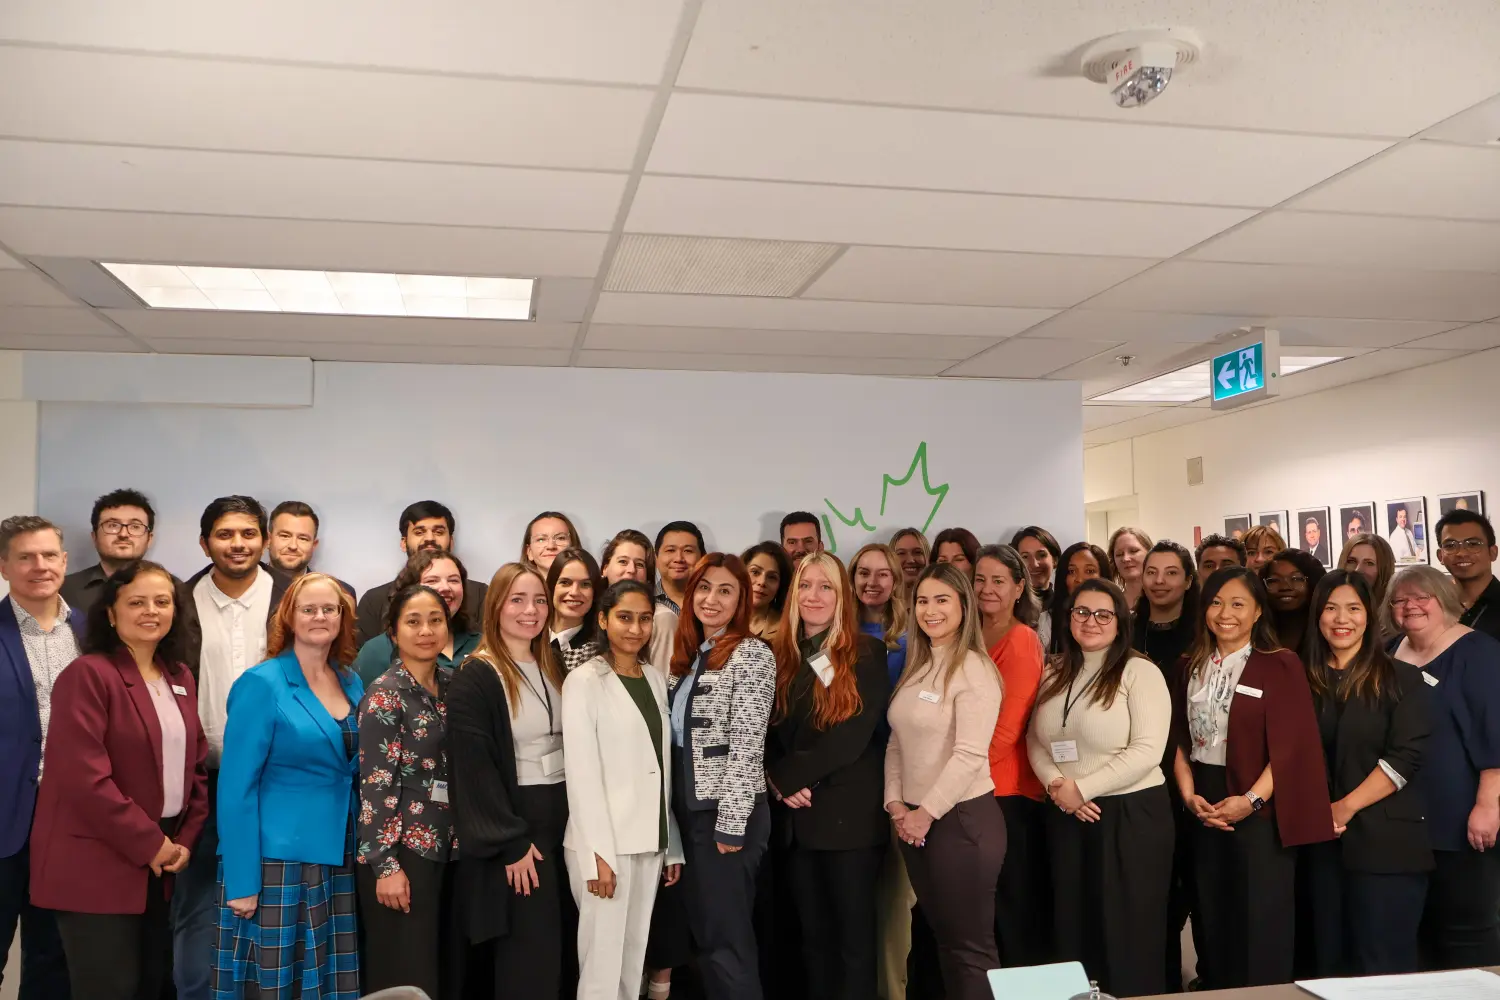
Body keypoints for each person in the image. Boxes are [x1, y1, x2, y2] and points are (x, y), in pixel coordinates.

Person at [30, 560, 209, 1000]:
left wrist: (184, 839)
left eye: (162, 602)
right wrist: (151, 843)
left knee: (152, 985)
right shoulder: (88, 675)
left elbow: (196, 767)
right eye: (136, 602)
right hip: (97, 859)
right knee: (110, 988)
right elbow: (83, 779)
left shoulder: (179, 676)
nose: (151, 611)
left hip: (163, 858)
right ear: (111, 613)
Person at [1170, 567, 1334, 989]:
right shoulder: (1189, 664)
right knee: (1211, 912)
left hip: (1260, 807)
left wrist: (1251, 800)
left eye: (1238, 604)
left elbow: (1293, 746)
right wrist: (1188, 795)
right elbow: (1179, 739)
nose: (1225, 613)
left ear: (1258, 611)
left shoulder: (1279, 664)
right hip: (1201, 801)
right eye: (1216, 602)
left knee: (1260, 918)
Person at [212, 574, 364, 999]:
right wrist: (242, 880)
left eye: (329, 609)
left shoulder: (350, 680)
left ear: (342, 617)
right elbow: (235, 788)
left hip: (338, 852)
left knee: (328, 980)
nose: (320, 616)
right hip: (276, 861)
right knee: (275, 984)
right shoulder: (261, 683)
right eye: (308, 609)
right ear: (289, 617)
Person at [1028, 579, 1174, 997]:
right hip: (1066, 812)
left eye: (1103, 614)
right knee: (1073, 926)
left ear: (1120, 621)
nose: (1090, 621)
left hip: (1130, 816)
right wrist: (1057, 785)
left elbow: (1148, 750)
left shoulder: (1139, 671)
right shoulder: (1053, 670)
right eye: (1081, 612)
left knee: (1126, 933)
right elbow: (1034, 738)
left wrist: (1083, 788)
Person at [175, 495, 293, 1000]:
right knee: (198, 903)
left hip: (282, 777)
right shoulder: (177, 601)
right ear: (205, 544)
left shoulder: (295, 597)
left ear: (264, 540)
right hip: (202, 780)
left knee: (281, 898)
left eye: (248, 533)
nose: (237, 544)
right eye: (224, 535)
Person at [447, 563, 574, 999]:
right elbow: (473, 769)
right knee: (530, 955)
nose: (530, 610)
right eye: (517, 600)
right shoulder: (477, 675)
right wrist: (510, 841)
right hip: (519, 829)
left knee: (562, 948)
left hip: (564, 823)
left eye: (539, 600)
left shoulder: (552, 663)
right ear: (496, 607)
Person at [767, 553, 891, 1000]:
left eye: (826, 587)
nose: (813, 596)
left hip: (848, 821)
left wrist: (786, 778)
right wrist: (776, 780)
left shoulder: (866, 652)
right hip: (796, 825)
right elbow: (761, 731)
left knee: (853, 945)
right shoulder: (776, 654)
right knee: (813, 943)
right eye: (805, 585)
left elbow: (851, 736)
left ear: (842, 596)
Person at [1301, 571, 1432, 976]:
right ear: (1317, 616)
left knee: (1382, 968)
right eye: (1331, 608)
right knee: (1325, 967)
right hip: (1317, 847)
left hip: (1386, 846)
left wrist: (1344, 807)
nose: (1342, 619)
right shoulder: (1299, 679)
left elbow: (1406, 757)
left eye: (1353, 609)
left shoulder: (1402, 678)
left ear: (1369, 616)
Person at [885, 562, 1005, 1000]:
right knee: (947, 943)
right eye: (922, 601)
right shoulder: (919, 664)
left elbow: (970, 755)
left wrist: (925, 813)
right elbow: (897, 740)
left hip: (961, 821)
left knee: (970, 949)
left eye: (941, 600)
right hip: (916, 822)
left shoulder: (974, 668)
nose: (930, 610)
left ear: (963, 606)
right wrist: (895, 803)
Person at [562, 581, 684, 1000]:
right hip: (605, 845)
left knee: (632, 961)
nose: (635, 628)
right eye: (625, 617)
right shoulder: (584, 681)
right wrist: (598, 855)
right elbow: (582, 773)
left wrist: (671, 842)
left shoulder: (653, 677)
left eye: (644, 618)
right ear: (603, 619)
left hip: (649, 840)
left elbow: (660, 767)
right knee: (602, 967)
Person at [666, 553, 776, 1000]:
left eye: (725, 590)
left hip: (726, 818)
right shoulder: (693, 656)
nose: (712, 599)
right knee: (705, 935)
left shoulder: (751, 653)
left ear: (741, 600)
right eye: (704, 587)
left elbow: (748, 745)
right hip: (691, 813)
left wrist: (731, 825)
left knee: (726, 939)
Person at [1387, 566, 1500, 970]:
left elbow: (1494, 733)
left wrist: (1488, 806)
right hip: (1401, 821)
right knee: (1415, 936)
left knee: (1466, 932)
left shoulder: (1479, 652)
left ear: (1445, 600)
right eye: (1400, 600)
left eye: (1422, 597)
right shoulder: (1389, 650)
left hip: (1460, 818)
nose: (1411, 606)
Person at [356, 584, 459, 998]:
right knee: (406, 975)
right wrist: (385, 865)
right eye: (413, 622)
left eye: (435, 620)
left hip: (447, 847)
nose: (426, 631)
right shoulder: (385, 694)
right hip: (402, 853)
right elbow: (375, 785)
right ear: (393, 633)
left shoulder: (452, 685)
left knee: (440, 971)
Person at [0, 516, 84, 1000]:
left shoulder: (94, 633)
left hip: (72, 821)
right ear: (4, 566)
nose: (40, 566)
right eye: (25, 557)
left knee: (53, 960)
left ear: (64, 561)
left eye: (49, 555)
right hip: (4, 818)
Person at [1130, 540, 1201, 991]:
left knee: (1180, 885)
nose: (1159, 581)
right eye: (1151, 572)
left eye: (1171, 572)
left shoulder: (1201, 634)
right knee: (1145, 890)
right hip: (1133, 772)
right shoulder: (1126, 629)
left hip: (1185, 769)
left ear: (1188, 580)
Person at [974, 544, 1050, 969]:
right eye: (980, 579)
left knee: (1012, 910)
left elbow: (1007, 731)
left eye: (998, 581)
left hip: (1008, 792)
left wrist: (954, 776)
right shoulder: (968, 635)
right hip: (975, 786)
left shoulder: (1022, 641)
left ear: (1019, 588)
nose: (987, 588)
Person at [354, 501, 487, 646]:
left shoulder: (480, 594)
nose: (430, 538)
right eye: (419, 532)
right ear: (404, 543)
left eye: (439, 532)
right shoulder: (374, 600)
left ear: (451, 541)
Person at [352, 549, 481, 688]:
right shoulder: (377, 651)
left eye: (453, 580)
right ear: (410, 589)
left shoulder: (481, 644)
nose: (445, 587)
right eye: (432, 580)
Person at [60, 488, 160, 615]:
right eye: (113, 525)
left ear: (149, 538)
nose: (123, 534)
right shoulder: (64, 590)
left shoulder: (171, 589)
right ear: (94, 537)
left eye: (135, 526)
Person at [1435, 509, 1500, 643]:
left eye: (1473, 544)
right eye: (1450, 546)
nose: (1461, 553)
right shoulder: (1433, 605)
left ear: (1493, 552)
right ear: (1440, 556)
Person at [267, 500, 354, 597]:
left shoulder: (340, 593)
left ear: (314, 545)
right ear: (268, 540)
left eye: (303, 538)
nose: (293, 546)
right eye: (285, 536)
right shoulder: (252, 585)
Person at [850, 543, 908, 689]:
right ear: (852, 578)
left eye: (882, 574)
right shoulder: (836, 631)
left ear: (895, 581)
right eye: (864, 573)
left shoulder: (910, 638)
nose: (872, 582)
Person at [1048, 542, 1108, 653]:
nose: (1079, 580)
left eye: (1089, 571)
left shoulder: (1118, 616)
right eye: (1071, 571)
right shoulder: (1047, 621)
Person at [549, 547, 603, 670]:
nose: (574, 592)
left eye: (585, 584)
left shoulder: (599, 653)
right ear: (551, 586)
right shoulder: (530, 637)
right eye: (565, 582)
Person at [1263, 549, 1327, 653]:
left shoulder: (1327, 634)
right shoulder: (1254, 635)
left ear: (1313, 582)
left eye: (1296, 579)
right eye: (1274, 580)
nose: (1285, 587)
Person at [1013, 527, 1062, 652]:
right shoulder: (1007, 609)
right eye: (1025, 557)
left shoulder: (1066, 608)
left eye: (1041, 555)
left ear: (1055, 560)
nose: (1034, 564)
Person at [1338, 533, 1397, 626]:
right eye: (1351, 561)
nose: (1358, 570)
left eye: (1369, 563)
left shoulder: (1396, 617)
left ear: (1384, 569)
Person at [742, 542, 792, 642]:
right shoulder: (721, 620)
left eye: (772, 577)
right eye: (755, 572)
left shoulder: (788, 629)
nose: (762, 582)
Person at [654, 521, 705, 616]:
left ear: (702, 558)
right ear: (656, 558)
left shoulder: (713, 602)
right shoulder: (643, 600)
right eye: (670, 550)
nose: (678, 559)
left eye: (688, 551)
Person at [1107, 527, 1153, 610]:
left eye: (1133, 551)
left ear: (1150, 553)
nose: (1125, 559)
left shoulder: (1165, 598)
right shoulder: (1110, 603)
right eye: (1119, 554)